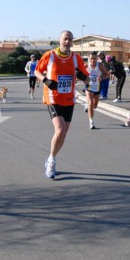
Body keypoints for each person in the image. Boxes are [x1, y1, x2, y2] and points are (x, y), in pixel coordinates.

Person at [34, 30, 90, 179]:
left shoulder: (76, 58)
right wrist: (46, 80)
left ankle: (51, 157)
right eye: (65, 39)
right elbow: (37, 72)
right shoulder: (50, 55)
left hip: (68, 99)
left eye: (70, 40)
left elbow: (88, 80)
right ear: (59, 40)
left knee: (63, 133)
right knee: (59, 130)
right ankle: (51, 161)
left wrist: (83, 77)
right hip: (53, 97)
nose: (67, 42)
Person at [85, 51, 110, 129]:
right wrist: (83, 79)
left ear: (97, 59)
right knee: (90, 102)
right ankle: (91, 122)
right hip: (89, 87)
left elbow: (107, 74)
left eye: (94, 59)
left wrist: (101, 78)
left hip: (97, 87)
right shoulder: (86, 66)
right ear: (89, 59)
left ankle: (87, 105)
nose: (93, 60)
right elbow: (80, 76)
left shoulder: (100, 65)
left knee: (95, 106)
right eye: (91, 59)